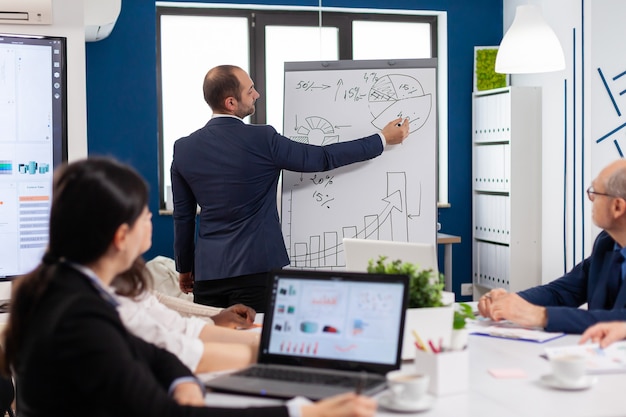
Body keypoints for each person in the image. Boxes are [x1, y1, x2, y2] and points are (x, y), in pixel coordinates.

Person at [0, 157, 376, 417]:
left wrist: (182, 381)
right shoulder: (76, 315)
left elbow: (154, 355)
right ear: (121, 236)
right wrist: (302, 411)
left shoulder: (68, 289)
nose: (150, 217)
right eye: (144, 212)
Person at [171, 64, 410, 312]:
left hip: (209, 275)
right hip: (257, 273)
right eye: (250, 90)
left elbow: (183, 217)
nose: (257, 94)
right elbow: (323, 158)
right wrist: (382, 139)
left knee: (213, 347)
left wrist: (185, 269)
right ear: (231, 102)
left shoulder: (183, 148)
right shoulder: (263, 139)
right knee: (256, 346)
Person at [478, 159, 626, 334]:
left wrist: (541, 315)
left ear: (617, 207)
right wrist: (508, 301)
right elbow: (561, 292)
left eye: (595, 193)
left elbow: (620, 320)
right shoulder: (607, 242)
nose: (590, 199)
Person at [111, 259, 260, 373]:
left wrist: (218, 314)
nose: (149, 218)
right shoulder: (112, 301)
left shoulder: (120, 283)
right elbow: (181, 348)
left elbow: (160, 305)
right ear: (122, 235)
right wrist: (262, 351)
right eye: (144, 218)